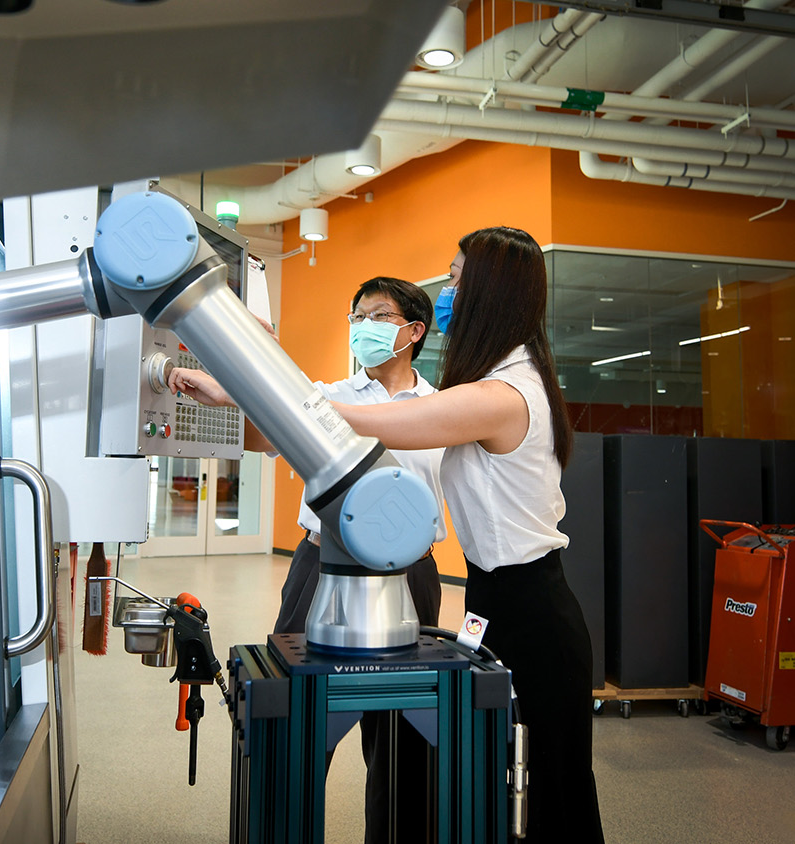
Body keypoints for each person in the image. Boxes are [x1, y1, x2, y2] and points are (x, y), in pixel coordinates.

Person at [329, 227, 604, 843]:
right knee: (507, 787)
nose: (446, 292)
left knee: (551, 794)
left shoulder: (502, 394)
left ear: (489, 291)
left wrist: (251, 392)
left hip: (533, 614)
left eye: (455, 278)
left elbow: (383, 423)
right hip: (497, 602)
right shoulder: (501, 380)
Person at [168, 277, 445, 844]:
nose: (363, 326)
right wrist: (236, 390)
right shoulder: (323, 395)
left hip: (411, 575)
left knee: (403, 731)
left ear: (414, 331)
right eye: (357, 316)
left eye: (379, 315)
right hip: (321, 568)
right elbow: (261, 438)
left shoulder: (441, 409)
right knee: (299, 713)